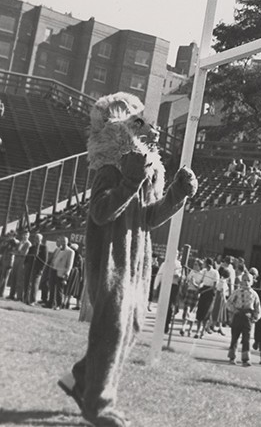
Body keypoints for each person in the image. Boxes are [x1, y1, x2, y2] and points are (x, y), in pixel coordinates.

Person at [57, 92, 198, 427]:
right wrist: (130, 180)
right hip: (108, 259)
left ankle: (79, 378)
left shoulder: (144, 172)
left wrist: (177, 194)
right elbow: (101, 211)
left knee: (131, 323)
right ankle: (98, 405)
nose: (147, 131)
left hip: (137, 259)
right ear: (123, 129)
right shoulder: (110, 169)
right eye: (138, 124)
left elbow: (149, 218)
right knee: (114, 324)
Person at [226, 271, 261, 366]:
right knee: (235, 337)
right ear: (241, 281)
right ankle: (232, 357)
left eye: (248, 280)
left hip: (248, 317)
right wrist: (234, 310)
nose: (246, 282)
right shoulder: (237, 292)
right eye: (244, 280)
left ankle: (245, 359)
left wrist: (255, 317)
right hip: (238, 315)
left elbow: (257, 307)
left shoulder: (254, 294)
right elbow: (228, 303)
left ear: (252, 282)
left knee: (247, 338)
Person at [47, 236, 75, 309]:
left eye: (64, 241)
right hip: (53, 269)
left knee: (59, 289)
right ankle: (50, 303)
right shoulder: (57, 249)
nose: (63, 243)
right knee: (52, 287)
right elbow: (54, 258)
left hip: (61, 272)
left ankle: (59, 305)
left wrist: (67, 274)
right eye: (61, 241)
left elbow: (70, 264)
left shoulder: (70, 252)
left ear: (67, 242)